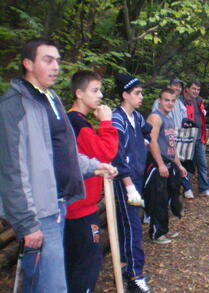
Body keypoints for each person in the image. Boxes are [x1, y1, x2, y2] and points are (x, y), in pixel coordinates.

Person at [0, 38, 117, 293]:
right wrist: (26, 223)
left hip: (59, 205)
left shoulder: (51, 100)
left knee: (45, 284)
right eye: (48, 60)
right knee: (52, 286)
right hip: (39, 213)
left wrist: (95, 167)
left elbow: (64, 152)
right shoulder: (14, 107)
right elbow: (11, 170)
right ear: (28, 63)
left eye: (58, 61)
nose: (56, 66)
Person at [65, 70, 119, 293]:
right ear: (79, 93)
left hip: (79, 204)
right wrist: (107, 123)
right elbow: (105, 152)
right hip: (78, 208)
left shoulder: (79, 122)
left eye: (100, 90)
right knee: (87, 262)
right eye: (95, 90)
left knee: (78, 262)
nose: (100, 95)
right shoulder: (76, 123)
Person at [112, 73, 152, 292]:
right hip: (124, 182)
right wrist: (128, 186)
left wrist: (143, 143)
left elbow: (148, 130)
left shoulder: (136, 117)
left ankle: (128, 270)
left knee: (131, 225)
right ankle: (134, 275)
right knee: (132, 227)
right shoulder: (117, 119)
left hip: (137, 177)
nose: (141, 97)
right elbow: (116, 156)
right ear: (125, 94)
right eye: (137, 93)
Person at [144, 88, 188, 244]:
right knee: (159, 199)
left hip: (169, 162)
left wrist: (179, 165)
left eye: (172, 100)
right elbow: (152, 141)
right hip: (157, 163)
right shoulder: (155, 117)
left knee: (169, 197)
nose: (170, 103)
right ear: (159, 100)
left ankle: (164, 230)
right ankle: (156, 234)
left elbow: (171, 145)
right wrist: (160, 164)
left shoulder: (169, 119)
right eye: (166, 100)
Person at [152, 78, 194, 199]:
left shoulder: (179, 103)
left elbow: (184, 118)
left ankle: (181, 191)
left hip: (179, 137)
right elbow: (154, 134)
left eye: (179, 86)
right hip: (163, 141)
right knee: (165, 171)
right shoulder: (158, 105)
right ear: (169, 85)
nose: (177, 88)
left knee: (181, 164)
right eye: (175, 85)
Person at [180, 81, 209, 197]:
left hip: (199, 137)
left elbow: (202, 118)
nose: (195, 91)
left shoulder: (199, 101)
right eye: (193, 89)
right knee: (187, 164)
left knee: (202, 163)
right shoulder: (181, 102)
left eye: (197, 89)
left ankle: (203, 188)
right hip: (185, 137)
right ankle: (186, 189)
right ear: (187, 89)